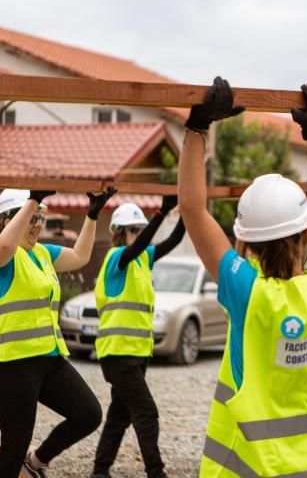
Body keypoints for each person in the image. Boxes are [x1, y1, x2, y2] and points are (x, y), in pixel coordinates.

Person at [178, 77, 307, 477]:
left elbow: (192, 210)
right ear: (304, 232)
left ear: (245, 242)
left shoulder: (248, 292)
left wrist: (197, 129)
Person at [0, 187, 115, 478]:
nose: (37, 226)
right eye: (31, 219)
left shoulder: (41, 254)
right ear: (6, 221)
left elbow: (79, 256)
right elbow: (3, 249)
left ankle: (36, 462)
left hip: (48, 360)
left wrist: (91, 216)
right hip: (11, 365)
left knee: (88, 414)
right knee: (14, 444)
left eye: (41, 219)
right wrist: (33, 200)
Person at [90, 197, 186, 478]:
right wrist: (161, 212)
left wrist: (189, 208)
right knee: (147, 413)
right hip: (118, 355)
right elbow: (139, 246)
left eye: (138, 229)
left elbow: (175, 239)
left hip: (136, 353)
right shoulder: (116, 259)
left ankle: (99, 471)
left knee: (119, 416)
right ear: (120, 232)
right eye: (132, 230)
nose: (136, 234)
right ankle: (156, 472)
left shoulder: (144, 259)